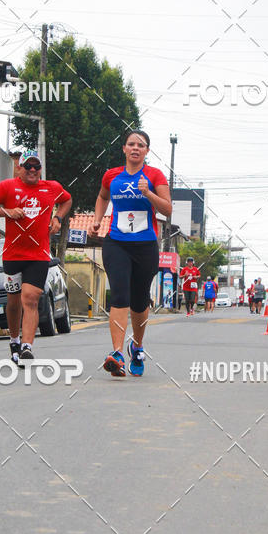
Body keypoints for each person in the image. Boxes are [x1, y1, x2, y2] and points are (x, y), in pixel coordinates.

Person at [0, 149, 72, 363]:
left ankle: (27, 347)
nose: (32, 170)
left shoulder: (51, 188)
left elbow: (67, 200)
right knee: (14, 302)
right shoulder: (7, 187)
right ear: (19, 168)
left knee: (30, 298)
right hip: (13, 254)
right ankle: (14, 339)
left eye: (36, 166)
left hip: (38, 254)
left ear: (41, 169)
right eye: (27, 166)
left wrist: (58, 218)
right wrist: (7, 212)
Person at [92, 130, 171, 377]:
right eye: (131, 144)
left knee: (139, 300)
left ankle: (136, 346)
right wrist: (96, 219)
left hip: (146, 245)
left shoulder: (155, 175)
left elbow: (168, 210)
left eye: (141, 145)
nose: (135, 148)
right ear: (124, 149)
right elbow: (102, 196)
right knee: (120, 295)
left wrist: (148, 193)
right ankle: (117, 353)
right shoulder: (112, 175)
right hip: (117, 242)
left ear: (147, 151)